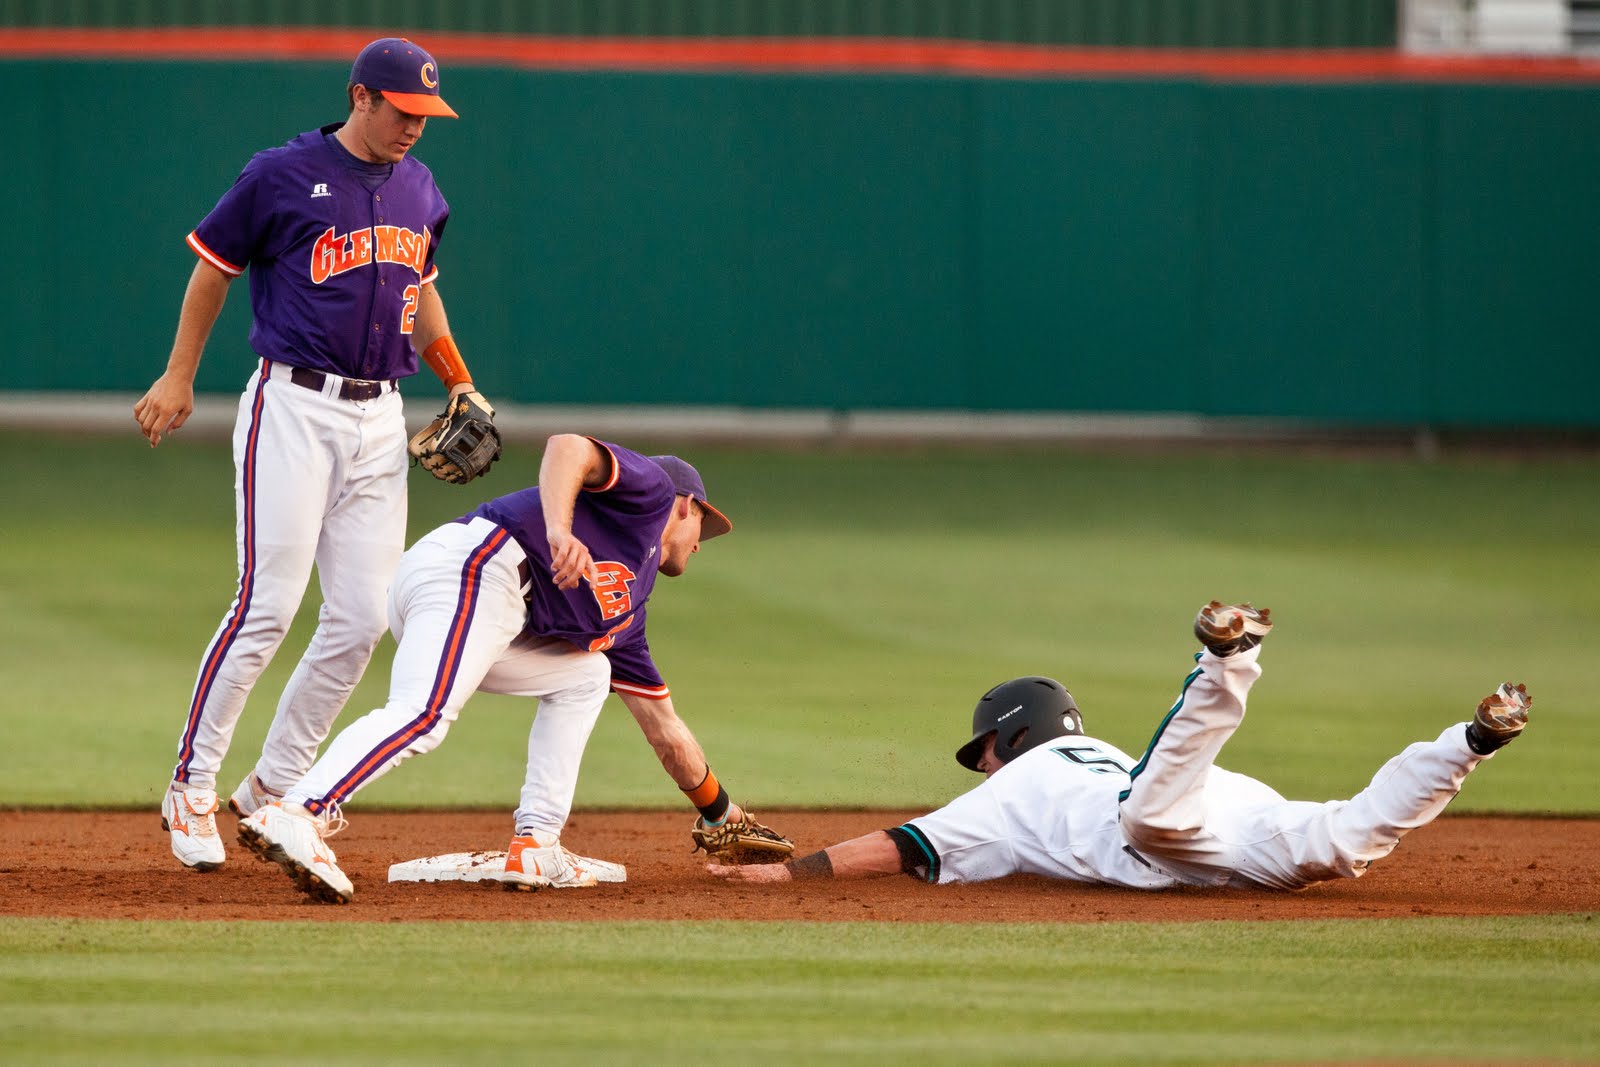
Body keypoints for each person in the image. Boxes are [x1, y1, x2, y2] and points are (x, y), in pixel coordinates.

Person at [137, 38, 493, 873]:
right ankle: (191, 784)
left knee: (363, 618)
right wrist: (178, 374)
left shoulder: (419, 186)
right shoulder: (281, 173)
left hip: (381, 420)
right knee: (266, 606)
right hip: (292, 406)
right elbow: (213, 269)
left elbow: (421, 288)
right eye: (404, 111)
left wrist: (461, 381)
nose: (415, 128)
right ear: (360, 96)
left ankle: (274, 789)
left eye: (427, 116)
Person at [238, 434, 779, 904]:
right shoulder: (651, 491)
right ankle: (299, 813)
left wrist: (720, 813)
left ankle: (537, 845)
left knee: (585, 676)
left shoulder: (628, 612)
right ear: (686, 505)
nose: (700, 545)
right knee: (423, 714)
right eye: (704, 527)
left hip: (483, 601)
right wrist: (561, 531)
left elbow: (665, 730)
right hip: (478, 566)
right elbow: (566, 447)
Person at [710, 601, 1532, 890]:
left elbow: (898, 846)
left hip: (1155, 820)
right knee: (1349, 837)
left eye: (984, 749)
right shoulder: (1085, 749)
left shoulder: (1006, 789)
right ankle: (1472, 739)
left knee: (1151, 810)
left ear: (1012, 736)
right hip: (1237, 813)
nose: (982, 765)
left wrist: (788, 871)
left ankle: (1227, 658)